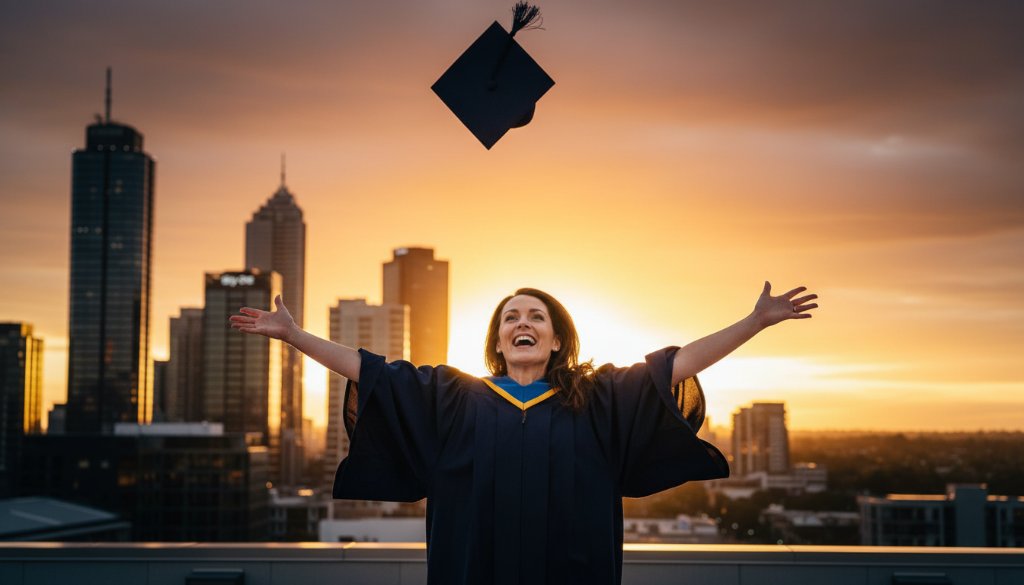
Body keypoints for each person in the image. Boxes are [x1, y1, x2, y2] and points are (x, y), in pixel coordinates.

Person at [230, 281, 817, 585]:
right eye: (511, 316)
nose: (523, 322)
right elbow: (373, 372)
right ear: (499, 340)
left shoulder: (598, 398)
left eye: (536, 316)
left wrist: (755, 322)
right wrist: (295, 336)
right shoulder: (453, 398)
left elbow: (675, 367)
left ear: (557, 339)